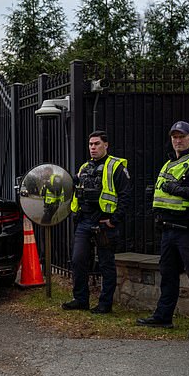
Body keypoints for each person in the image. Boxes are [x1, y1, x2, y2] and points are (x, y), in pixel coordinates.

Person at [137, 121, 189, 341]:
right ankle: (164, 316)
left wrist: (180, 190)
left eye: (182, 136)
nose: (177, 140)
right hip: (169, 230)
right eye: (174, 136)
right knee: (168, 276)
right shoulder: (170, 163)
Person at [63, 130, 131, 314]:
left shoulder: (116, 166)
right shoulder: (84, 167)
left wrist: (114, 220)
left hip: (104, 222)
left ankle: (105, 304)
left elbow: (125, 196)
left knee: (106, 263)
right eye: (91, 144)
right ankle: (81, 299)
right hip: (84, 221)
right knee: (78, 260)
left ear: (106, 145)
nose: (93, 147)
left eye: (97, 144)